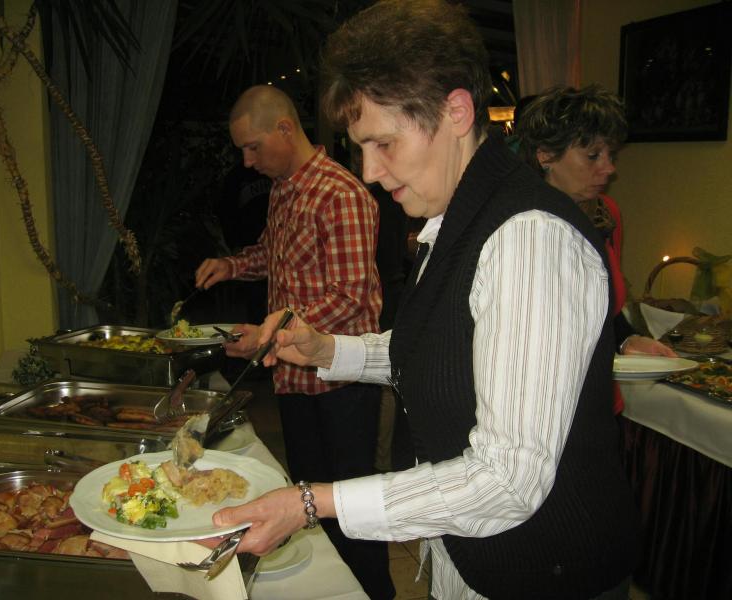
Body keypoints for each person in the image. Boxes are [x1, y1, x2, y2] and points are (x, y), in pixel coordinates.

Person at [202, 2, 640, 599]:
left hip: (542, 572)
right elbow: (441, 349)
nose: (370, 171)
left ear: (456, 111)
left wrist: (313, 502)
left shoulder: (529, 239)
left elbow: (507, 480)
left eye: (383, 142)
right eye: (362, 147)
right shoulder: (456, 219)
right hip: (469, 557)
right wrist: (327, 350)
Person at [193, 85, 394, 599]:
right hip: (294, 377)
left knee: (351, 509)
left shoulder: (340, 193)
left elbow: (351, 296)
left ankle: (375, 593)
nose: (247, 161)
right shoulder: (285, 188)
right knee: (308, 501)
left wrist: (271, 332)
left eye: (253, 147)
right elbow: (273, 256)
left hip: (343, 383)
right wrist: (231, 266)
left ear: (285, 129)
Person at [516, 85, 677, 414]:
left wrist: (628, 339)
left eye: (610, 155)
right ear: (545, 156)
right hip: (543, 405)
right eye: (593, 155)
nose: (609, 168)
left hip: (598, 399)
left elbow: (604, 309)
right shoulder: (521, 226)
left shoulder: (606, 215)